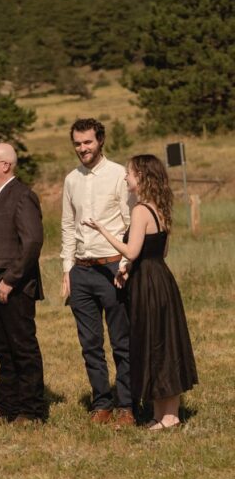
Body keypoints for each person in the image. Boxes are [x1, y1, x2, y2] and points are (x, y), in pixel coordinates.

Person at [83, 154, 198, 430]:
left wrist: (102, 231)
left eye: (129, 173)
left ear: (142, 177)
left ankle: (168, 417)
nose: (125, 177)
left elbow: (131, 251)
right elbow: (162, 250)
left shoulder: (140, 210)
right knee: (164, 342)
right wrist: (128, 269)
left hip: (147, 282)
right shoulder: (160, 207)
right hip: (161, 278)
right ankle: (166, 414)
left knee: (153, 343)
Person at [61, 119, 135, 427]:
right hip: (81, 270)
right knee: (90, 343)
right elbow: (67, 225)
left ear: (100, 140)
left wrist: (125, 264)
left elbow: (131, 222)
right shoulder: (71, 180)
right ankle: (101, 403)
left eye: (88, 142)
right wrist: (67, 270)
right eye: (78, 143)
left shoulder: (119, 175)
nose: (82, 148)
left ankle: (128, 405)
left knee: (122, 341)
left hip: (113, 267)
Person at [0, 143, 47, 424]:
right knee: (3, 351)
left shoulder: (22, 196)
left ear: (5, 165)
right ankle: (8, 408)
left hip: (14, 289)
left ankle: (31, 410)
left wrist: (10, 280)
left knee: (22, 349)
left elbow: (32, 243)